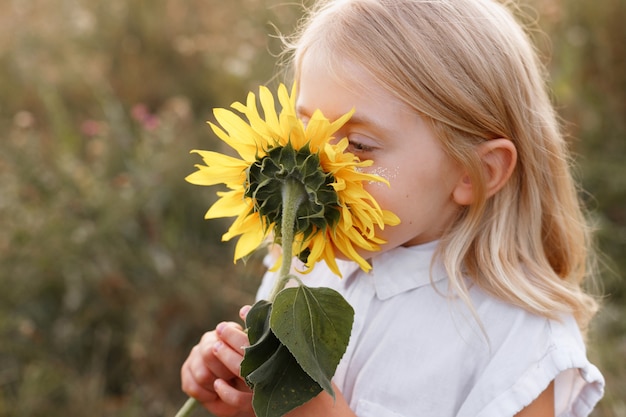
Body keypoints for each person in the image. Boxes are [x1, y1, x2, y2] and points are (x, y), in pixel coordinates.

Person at [180, 0, 605, 416]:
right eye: (307, 130)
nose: (319, 166)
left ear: (472, 174)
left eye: (359, 146)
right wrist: (244, 394)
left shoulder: (519, 342)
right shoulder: (304, 263)